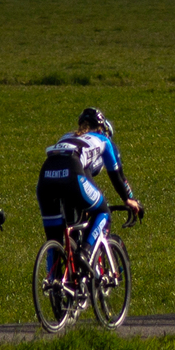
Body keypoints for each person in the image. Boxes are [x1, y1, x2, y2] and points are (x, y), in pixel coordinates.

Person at [37, 105, 141, 258]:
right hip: (71, 173)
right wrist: (128, 199)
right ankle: (85, 251)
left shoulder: (66, 136)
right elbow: (116, 175)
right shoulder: (104, 140)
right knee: (102, 211)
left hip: (45, 177)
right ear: (100, 129)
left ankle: (53, 279)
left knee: (55, 240)